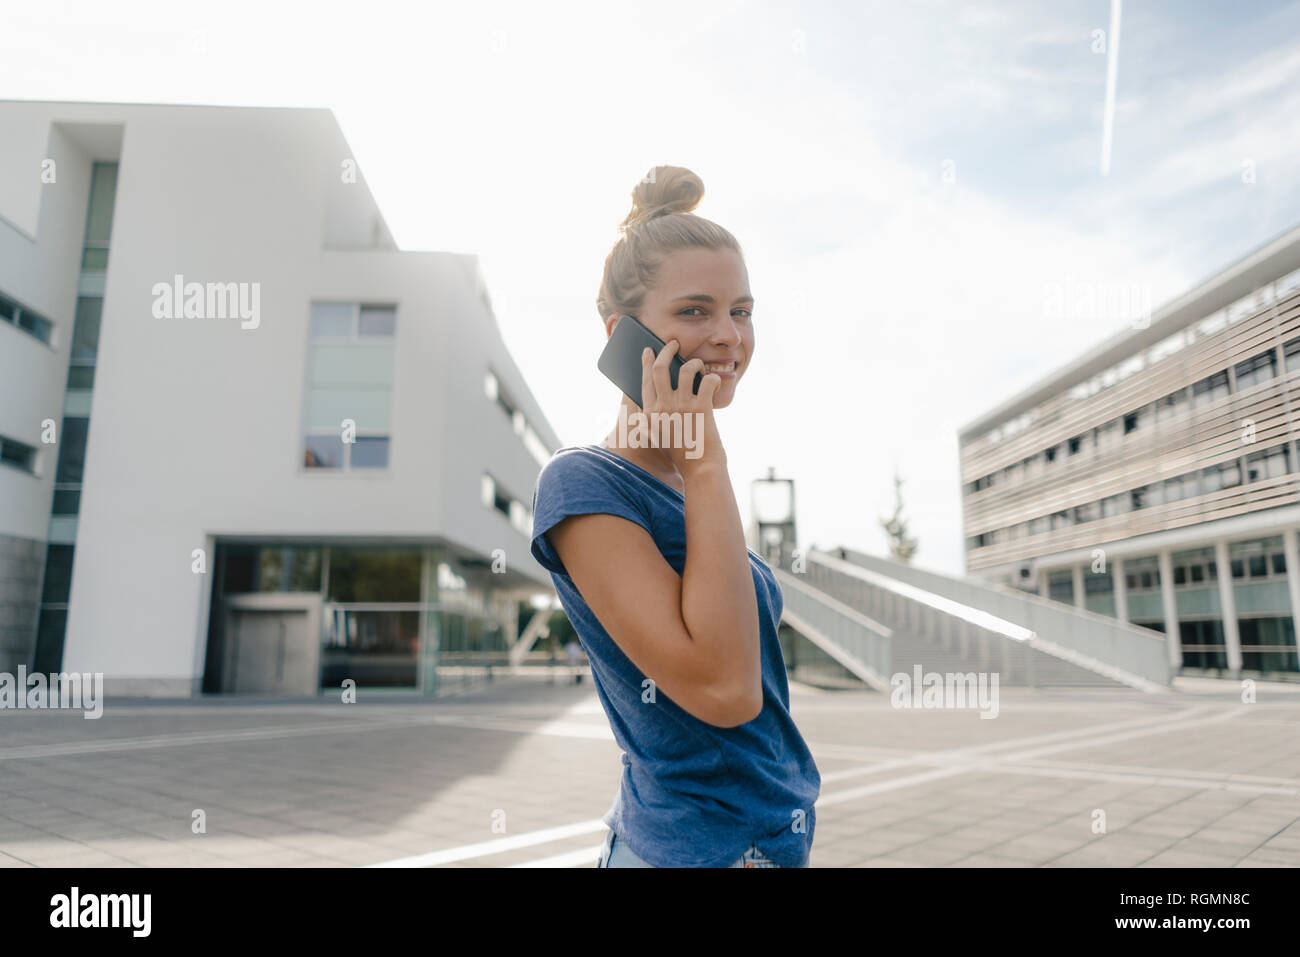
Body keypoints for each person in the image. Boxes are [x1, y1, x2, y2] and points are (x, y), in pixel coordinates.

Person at [528, 166, 820, 868]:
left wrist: (700, 470)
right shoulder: (584, 486)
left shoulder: (693, 483)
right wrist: (706, 462)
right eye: (695, 312)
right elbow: (724, 689)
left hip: (770, 843)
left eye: (742, 311)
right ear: (622, 335)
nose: (728, 336)